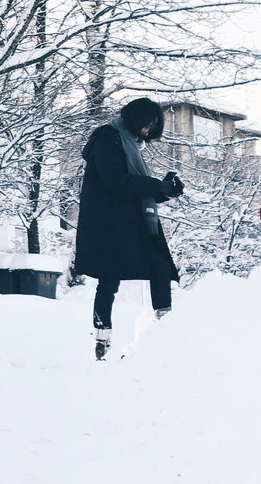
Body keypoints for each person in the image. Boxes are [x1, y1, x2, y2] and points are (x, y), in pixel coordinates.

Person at [73, 97, 184, 360]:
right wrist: (156, 185)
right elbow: (115, 181)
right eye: (146, 123)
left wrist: (166, 191)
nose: (147, 130)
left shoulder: (129, 144)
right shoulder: (108, 138)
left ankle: (165, 328)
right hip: (108, 225)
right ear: (135, 118)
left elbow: (136, 189)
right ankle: (102, 339)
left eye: (153, 125)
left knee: (159, 266)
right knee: (109, 279)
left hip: (131, 222)